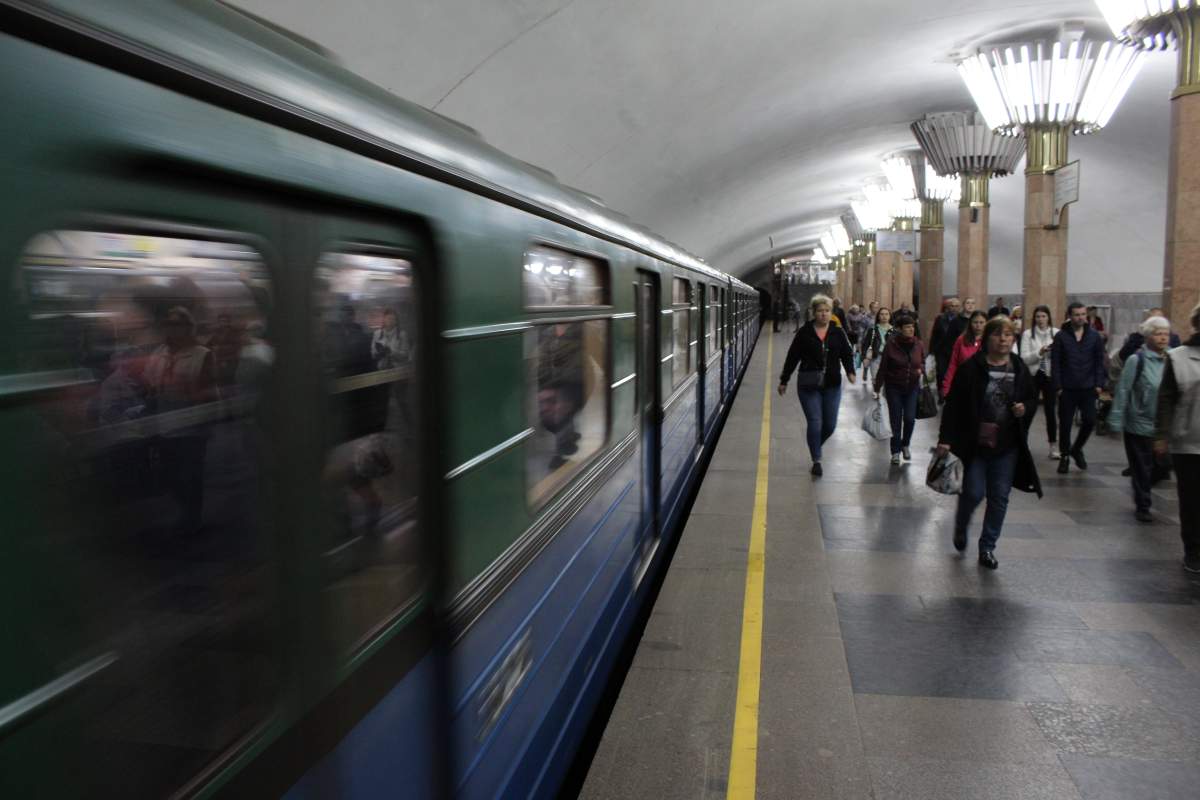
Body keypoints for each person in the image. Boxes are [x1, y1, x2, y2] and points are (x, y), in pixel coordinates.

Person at [937, 316, 1042, 569]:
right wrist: (946, 440)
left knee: (999, 497)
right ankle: (962, 523)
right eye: (997, 334)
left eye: (1008, 335)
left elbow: (1031, 397)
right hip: (974, 443)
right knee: (973, 492)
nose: (1003, 339)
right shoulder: (971, 368)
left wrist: (1024, 408)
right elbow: (953, 406)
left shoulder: (1018, 367)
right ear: (987, 339)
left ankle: (987, 547)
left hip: (1007, 444)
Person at [778, 294, 857, 476]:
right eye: (820, 311)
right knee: (815, 422)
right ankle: (816, 460)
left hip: (832, 384)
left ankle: (815, 444)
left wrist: (850, 371)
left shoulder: (838, 332)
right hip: (808, 384)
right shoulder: (804, 333)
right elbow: (793, 357)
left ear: (831, 312)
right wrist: (784, 380)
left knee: (829, 424)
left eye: (827, 311)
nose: (824, 314)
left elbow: (846, 354)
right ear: (813, 312)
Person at [1110, 315, 1172, 523]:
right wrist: (1116, 419)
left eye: (1166, 334)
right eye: (1158, 334)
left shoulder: (1172, 359)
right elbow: (1124, 390)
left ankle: (1142, 486)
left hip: (1163, 425)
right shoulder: (1137, 360)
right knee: (1141, 466)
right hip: (1138, 422)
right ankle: (1143, 504)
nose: (1163, 338)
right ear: (1148, 336)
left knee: (1164, 465)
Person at [1154, 302, 1200, 573]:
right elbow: (1166, 400)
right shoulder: (1178, 357)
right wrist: (1161, 436)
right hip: (1189, 441)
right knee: (1192, 499)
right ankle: (1193, 550)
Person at [1052, 302, 1107, 474]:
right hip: (1067, 388)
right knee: (1066, 424)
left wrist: (1099, 383)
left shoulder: (1094, 336)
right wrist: (1058, 386)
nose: (1081, 318)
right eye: (1077, 315)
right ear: (1070, 316)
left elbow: (1100, 361)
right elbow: (1055, 363)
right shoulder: (1061, 336)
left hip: (1088, 387)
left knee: (1090, 420)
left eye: (1083, 314)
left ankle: (1076, 448)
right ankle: (1065, 456)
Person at [873, 312, 925, 464]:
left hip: (912, 387)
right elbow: (883, 367)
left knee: (909, 418)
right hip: (893, 387)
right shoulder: (891, 344)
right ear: (900, 329)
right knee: (895, 420)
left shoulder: (918, 344)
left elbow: (922, 361)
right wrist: (877, 387)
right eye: (907, 327)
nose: (911, 329)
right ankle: (895, 451)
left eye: (912, 327)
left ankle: (905, 444)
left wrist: (921, 369)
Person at [1019, 305, 1061, 459]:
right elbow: (1024, 358)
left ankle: (1053, 445)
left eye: (1043, 316)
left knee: (1050, 411)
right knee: (1030, 409)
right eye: (1038, 316)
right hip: (1034, 374)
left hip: (1049, 375)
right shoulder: (1027, 334)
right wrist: (1039, 352)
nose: (1041, 319)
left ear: (1048, 317)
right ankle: (1023, 441)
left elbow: (1062, 355)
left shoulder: (1056, 333)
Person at [942, 309, 986, 398]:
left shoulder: (990, 340)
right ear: (970, 323)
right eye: (975, 322)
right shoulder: (961, 339)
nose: (978, 325)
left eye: (981, 322)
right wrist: (946, 387)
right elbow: (953, 364)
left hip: (982, 388)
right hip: (962, 384)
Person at [929, 297, 962, 397]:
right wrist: (931, 351)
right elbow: (934, 334)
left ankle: (953, 393)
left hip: (956, 350)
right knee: (941, 372)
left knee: (955, 373)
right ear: (948, 307)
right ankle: (942, 394)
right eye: (952, 306)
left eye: (956, 306)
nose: (954, 308)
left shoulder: (961, 320)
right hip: (942, 350)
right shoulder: (940, 318)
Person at [860, 306, 892, 387]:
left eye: (886, 314)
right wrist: (864, 357)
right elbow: (866, 344)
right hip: (876, 357)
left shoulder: (894, 331)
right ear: (878, 316)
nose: (884, 316)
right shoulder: (873, 330)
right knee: (876, 380)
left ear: (890, 316)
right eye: (882, 314)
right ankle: (877, 392)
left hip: (890, 358)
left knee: (888, 381)